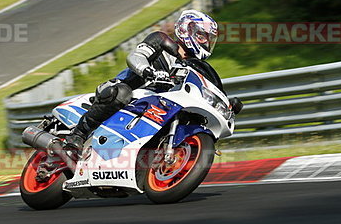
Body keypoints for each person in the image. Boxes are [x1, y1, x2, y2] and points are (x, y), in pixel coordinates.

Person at [63, 9, 230, 150]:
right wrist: (147, 70)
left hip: (154, 106)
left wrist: (230, 103)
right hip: (124, 91)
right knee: (121, 93)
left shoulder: (197, 67)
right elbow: (136, 57)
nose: (206, 42)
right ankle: (77, 136)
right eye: (202, 36)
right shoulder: (161, 41)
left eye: (209, 38)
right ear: (188, 30)